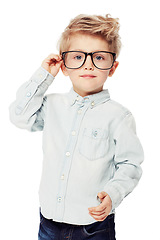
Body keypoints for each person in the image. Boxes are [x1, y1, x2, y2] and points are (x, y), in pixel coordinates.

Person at [9, 14, 144, 240]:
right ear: (64, 65)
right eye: (78, 56)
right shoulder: (52, 106)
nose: (88, 64)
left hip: (94, 227)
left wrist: (113, 194)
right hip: (49, 222)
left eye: (99, 57)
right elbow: (19, 116)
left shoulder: (119, 116)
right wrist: (43, 77)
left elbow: (130, 164)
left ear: (112, 67)